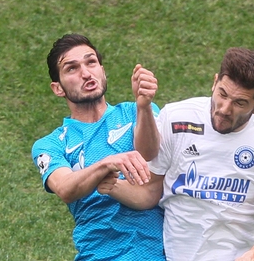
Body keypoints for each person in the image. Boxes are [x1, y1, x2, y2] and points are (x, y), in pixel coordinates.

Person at [99, 47, 254, 261]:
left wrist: (252, 257)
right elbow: (150, 191)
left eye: (239, 103)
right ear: (214, 82)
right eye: (222, 94)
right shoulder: (177, 117)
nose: (224, 109)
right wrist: (113, 185)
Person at [31, 33, 165, 261]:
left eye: (91, 62)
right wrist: (106, 164)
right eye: (72, 68)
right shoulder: (51, 144)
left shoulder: (135, 112)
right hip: (98, 255)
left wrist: (143, 107)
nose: (86, 73)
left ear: (102, 71)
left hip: (154, 253)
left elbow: (150, 153)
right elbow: (64, 188)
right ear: (58, 88)